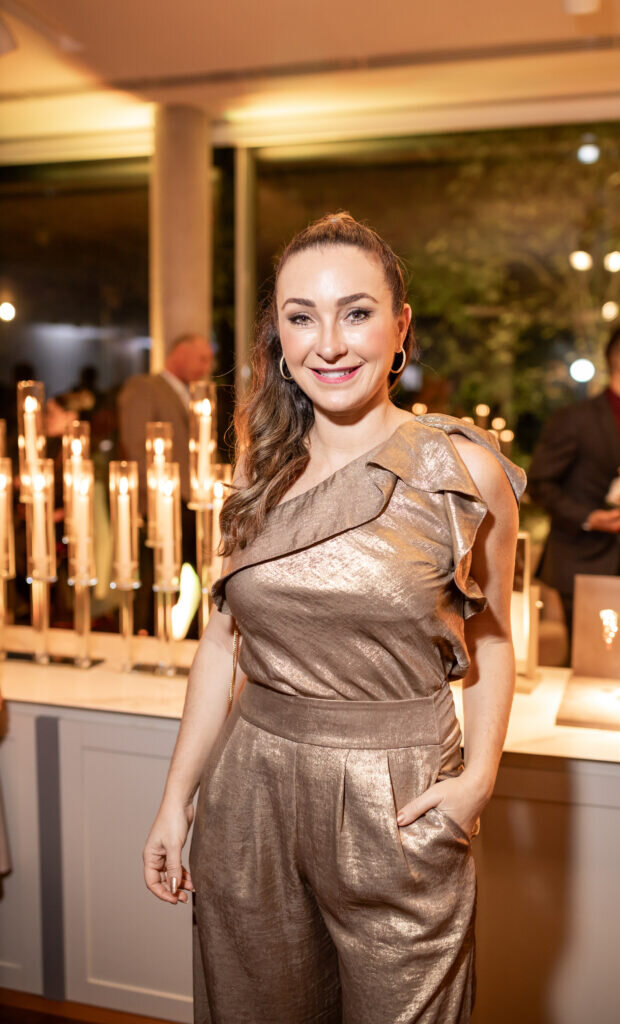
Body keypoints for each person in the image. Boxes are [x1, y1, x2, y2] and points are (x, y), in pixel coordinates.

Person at [142, 213, 525, 1023]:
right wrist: (177, 798)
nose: (328, 344)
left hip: (401, 793)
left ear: (400, 327)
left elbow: (491, 636)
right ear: (278, 337)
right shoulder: (260, 466)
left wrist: (477, 780)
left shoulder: (462, 470)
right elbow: (222, 640)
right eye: (301, 317)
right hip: (249, 789)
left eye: (355, 313)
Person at [527, 325, 620, 651]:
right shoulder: (574, 418)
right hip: (578, 560)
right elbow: (539, 484)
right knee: (587, 661)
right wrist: (589, 517)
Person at [117, 333, 213, 631]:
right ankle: (148, 639)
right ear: (179, 354)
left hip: (194, 501)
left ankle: (193, 640)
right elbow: (135, 446)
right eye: (202, 359)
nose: (207, 367)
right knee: (157, 581)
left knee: (205, 577)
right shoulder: (145, 387)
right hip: (162, 503)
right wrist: (156, 501)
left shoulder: (194, 394)